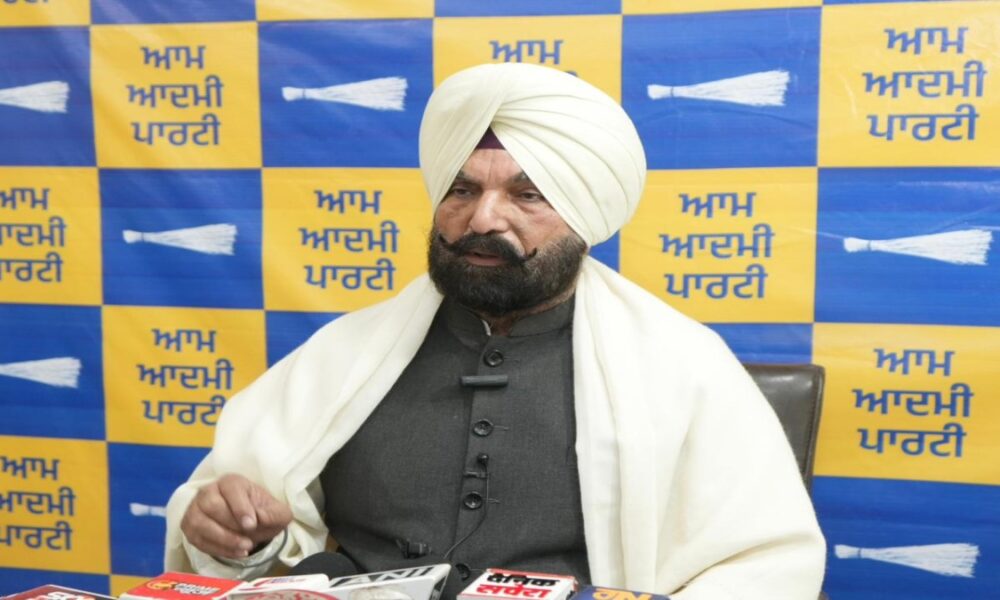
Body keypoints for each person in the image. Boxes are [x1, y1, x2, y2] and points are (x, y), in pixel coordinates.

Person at [166, 62, 826, 599]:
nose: (482, 219)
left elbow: (765, 565)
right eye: (461, 190)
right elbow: (249, 533)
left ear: (585, 215)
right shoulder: (347, 354)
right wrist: (239, 536)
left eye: (526, 195)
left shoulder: (682, 365)